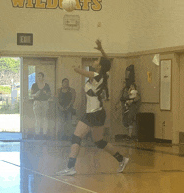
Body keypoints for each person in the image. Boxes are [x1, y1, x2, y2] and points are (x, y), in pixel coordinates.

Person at [57, 39, 129, 176]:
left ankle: (70, 167)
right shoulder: (103, 74)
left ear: (100, 66)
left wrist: (74, 68)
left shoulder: (97, 75)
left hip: (94, 113)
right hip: (96, 113)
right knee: (99, 141)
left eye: (97, 60)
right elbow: (107, 62)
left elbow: (84, 72)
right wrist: (101, 49)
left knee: (76, 137)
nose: (95, 61)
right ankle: (122, 159)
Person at [31, 72, 51, 139]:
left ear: (43, 77)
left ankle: (44, 133)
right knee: (37, 118)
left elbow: (49, 94)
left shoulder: (46, 85)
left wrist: (46, 93)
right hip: (37, 102)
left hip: (45, 102)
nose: (39, 77)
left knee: (45, 118)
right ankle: (37, 134)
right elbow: (31, 95)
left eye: (40, 76)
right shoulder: (34, 85)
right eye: (38, 76)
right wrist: (36, 94)